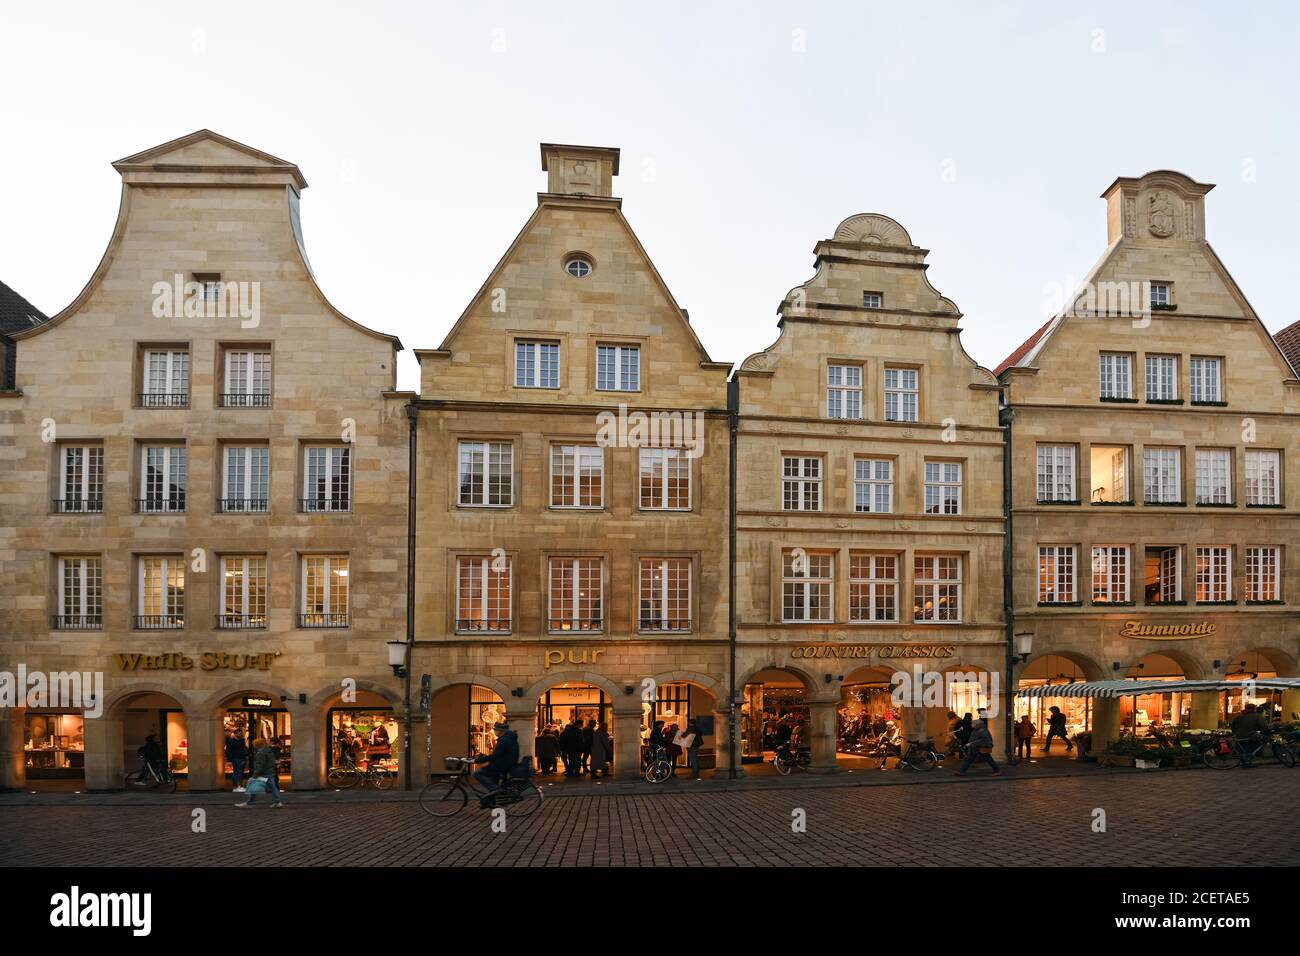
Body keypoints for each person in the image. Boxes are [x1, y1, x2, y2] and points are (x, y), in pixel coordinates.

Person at [471, 720, 519, 799]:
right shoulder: (509, 739)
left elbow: (496, 755)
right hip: (506, 764)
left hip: (501, 765)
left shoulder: (504, 740)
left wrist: (477, 760)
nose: (494, 731)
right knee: (493, 779)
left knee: (477, 774)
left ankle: (495, 789)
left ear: (500, 731)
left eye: (495, 730)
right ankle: (493, 800)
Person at [236, 737, 283, 808]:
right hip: (270, 772)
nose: (254, 746)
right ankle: (277, 801)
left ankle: (249, 803)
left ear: (257, 745)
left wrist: (256, 774)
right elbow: (272, 761)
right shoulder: (268, 750)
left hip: (263, 773)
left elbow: (260, 765)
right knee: (273, 787)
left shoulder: (261, 753)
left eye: (254, 745)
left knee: (253, 787)